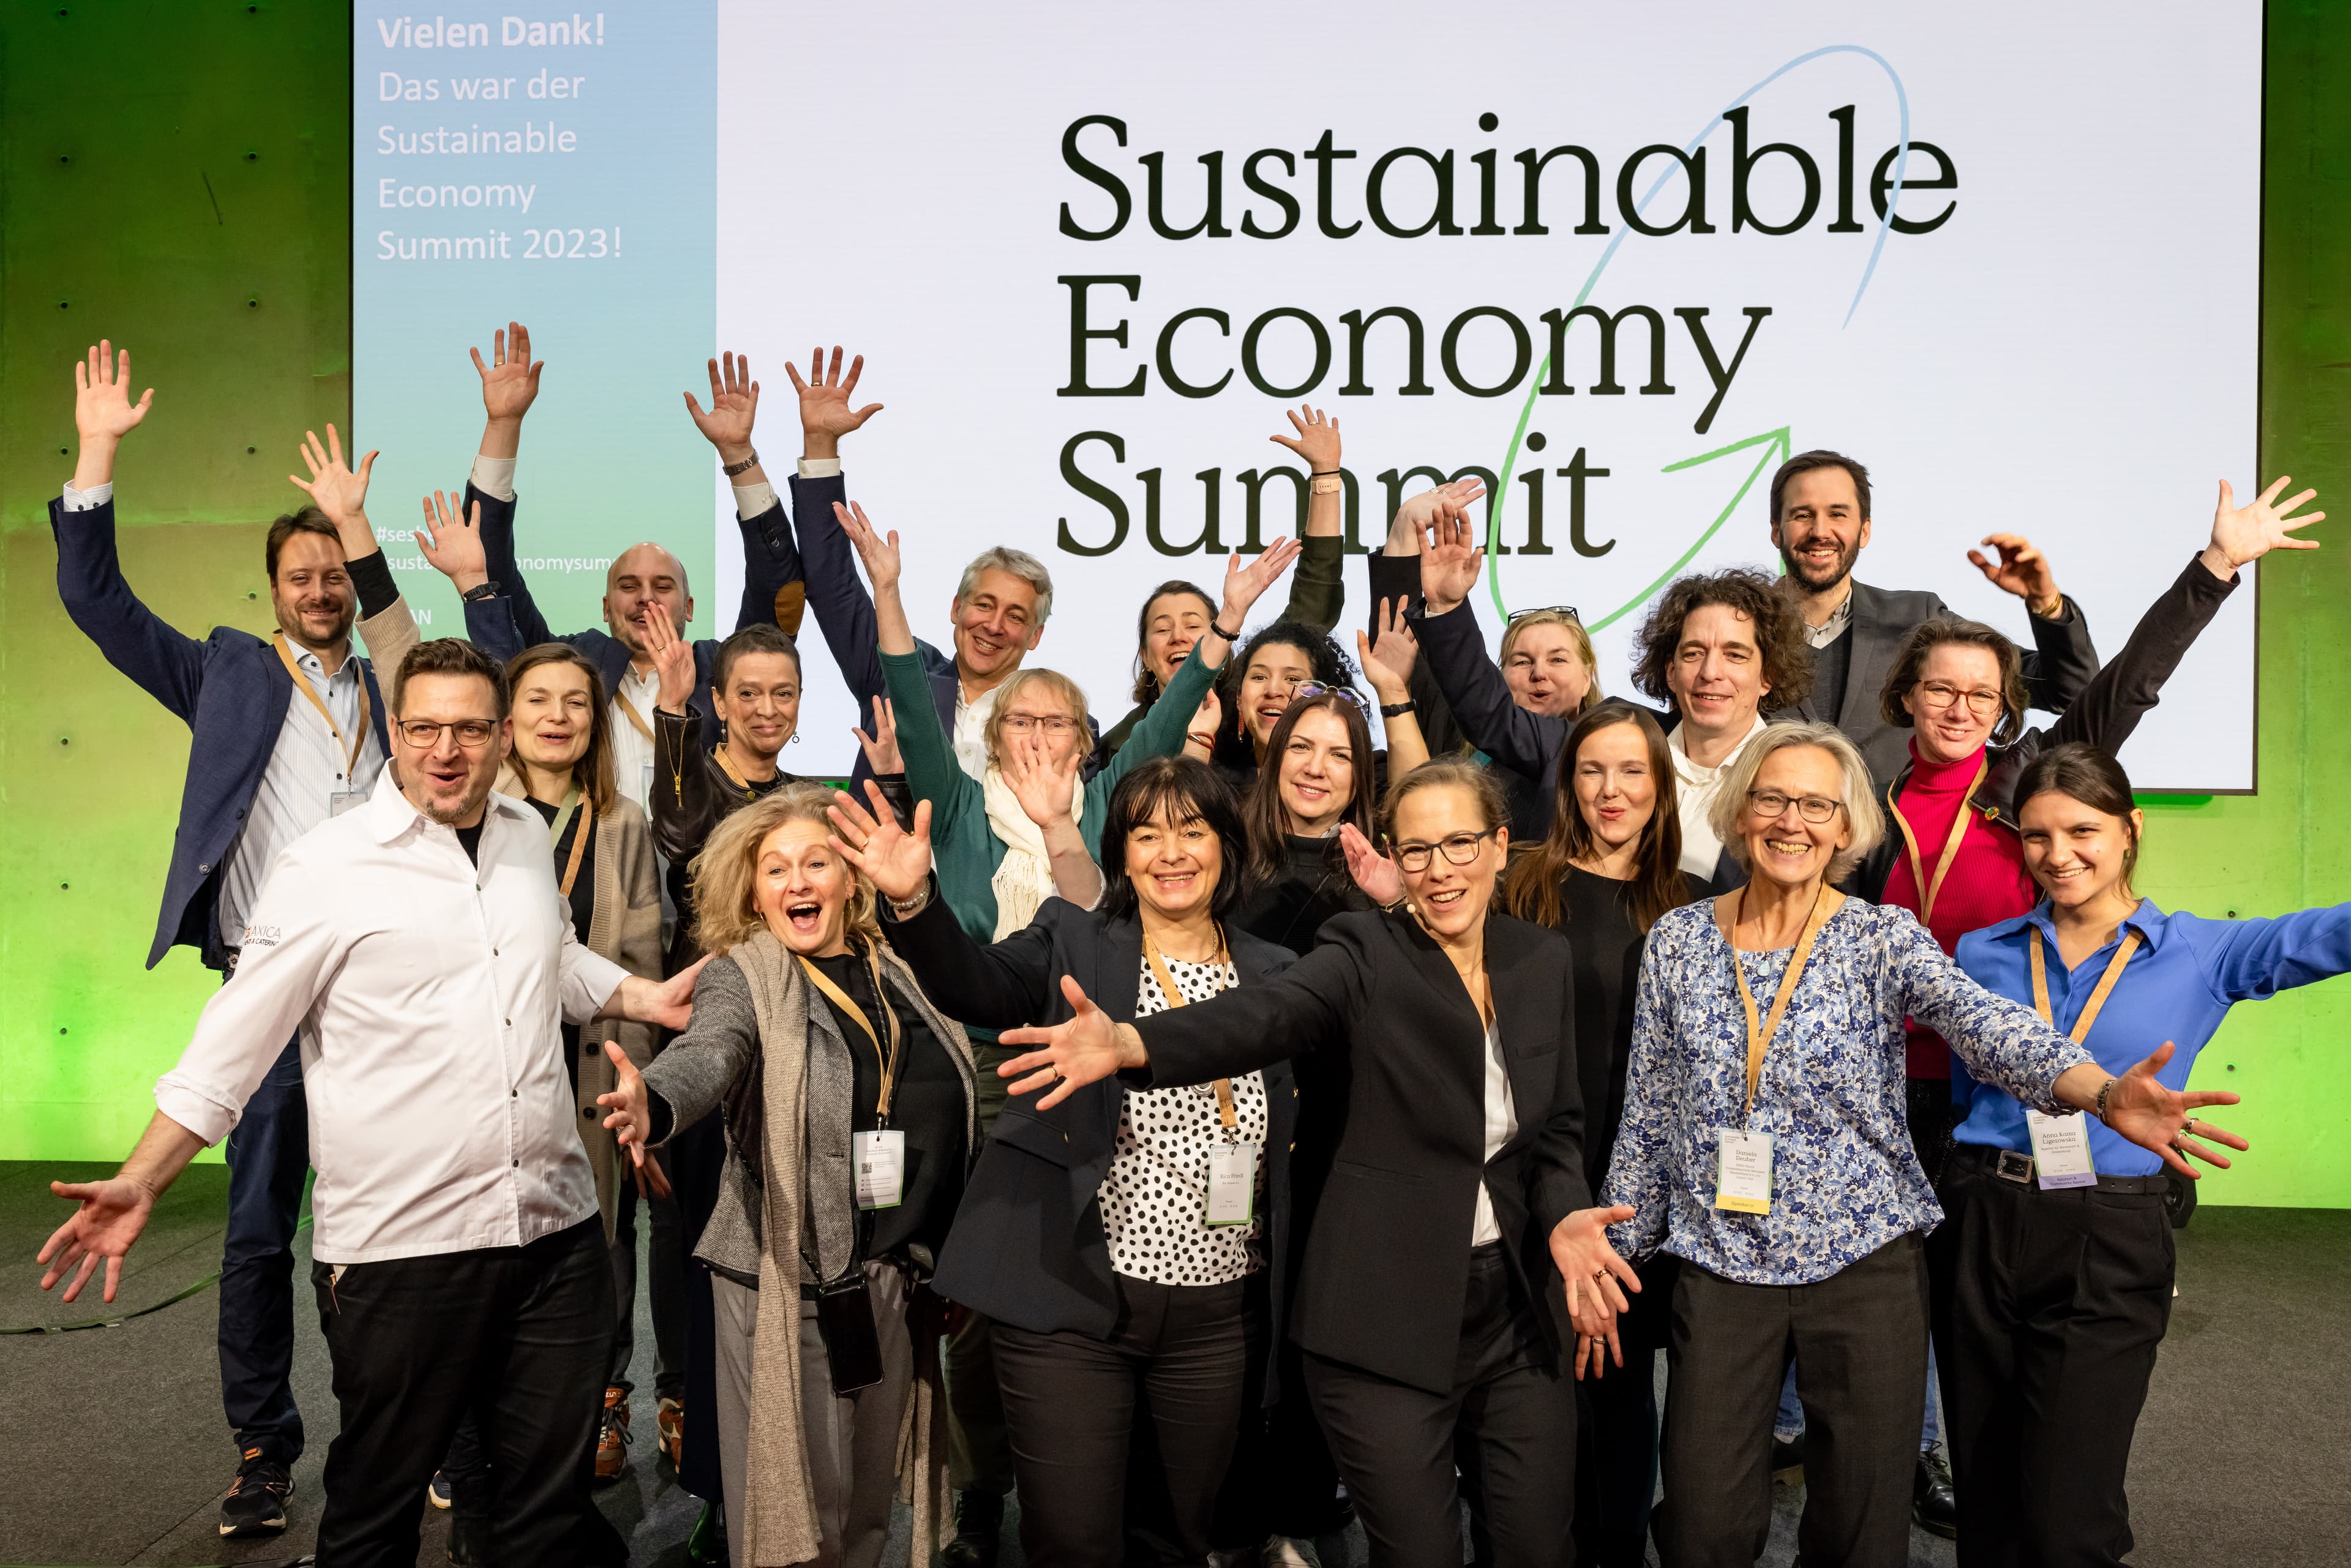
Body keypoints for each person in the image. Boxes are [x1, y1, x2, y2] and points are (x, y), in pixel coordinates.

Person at [37, 637, 707, 1567]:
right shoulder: (327, 866)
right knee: (375, 1517)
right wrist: (144, 1178)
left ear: (501, 736)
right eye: (424, 728)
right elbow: (232, 1044)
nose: (446, 750)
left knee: (545, 1512)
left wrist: (640, 995)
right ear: (394, 730)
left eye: (469, 729)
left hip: (554, 1237)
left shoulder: (523, 832)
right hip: (403, 1251)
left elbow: (549, 955)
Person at [1597, 722, 2244, 1568]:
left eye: (1817, 805)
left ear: (1845, 826)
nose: (1792, 820)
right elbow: (1647, 1111)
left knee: (1862, 1528)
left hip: (1865, 1264)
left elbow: (1986, 1026)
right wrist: (1612, 1254)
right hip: (1720, 1262)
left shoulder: (1882, 937)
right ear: (1740, 809)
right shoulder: (1678, 941)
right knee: (1701, 1527)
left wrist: (2098, 1089)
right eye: (1773, 798)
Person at [1830, 470, 2323, 1531]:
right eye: (1940, 690)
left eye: (1981, 695)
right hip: (1904, 1097)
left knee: (2062, 1447)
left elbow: (2124, 689)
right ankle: (1911, 1460)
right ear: (1904, 698)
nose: (1961, 708)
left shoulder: (2029, 785)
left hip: (2033, 1087)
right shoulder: (1861, 806)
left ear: (2005, 708)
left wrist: (2212, 569)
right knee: (1926, 1333)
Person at [992, 760, 1639, 1568]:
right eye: (1417, 850)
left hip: (1514, 1314)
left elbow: (1555, 1132)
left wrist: (1567, 1211)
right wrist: (1131, 1041)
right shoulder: (1363, 950)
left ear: (1501, 846)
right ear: (1396, 861)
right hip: (1382, 1318)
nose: (1441, 869)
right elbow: (1266, 1014)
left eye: (1461, 844)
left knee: (1541, 1548)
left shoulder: (1540, 959)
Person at [48, 341, 422, 1536]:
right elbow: (98, 606)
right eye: (301, 575)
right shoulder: (227, 673)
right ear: (273, 588)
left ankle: (424, 1437)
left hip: (388, 1006)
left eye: (335, 574)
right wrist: (97, 454)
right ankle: (263, 1450)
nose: (320, 589)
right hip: (267, 1002)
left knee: (402, 1244)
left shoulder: (405, 688)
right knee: (259, 1236)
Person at [826, 759, 1296, 1567]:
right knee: (1074, 1542)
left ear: (1227, 845)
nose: (1171, 852)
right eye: (1147, 834)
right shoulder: (1074, 940)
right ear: (1121, 855)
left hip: (1218, 1313)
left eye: (1192, 831)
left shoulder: (1276, 973)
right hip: (1070, 1296)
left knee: (1177, 1541)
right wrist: (915, 901)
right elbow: (976, 986)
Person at [1937, 738, 2329, 1566]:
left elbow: (2325, 935)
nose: (2058, 854)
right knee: (1986, 1494)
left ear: (2130, 828)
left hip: (2106, 1233)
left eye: (2082, 830)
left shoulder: (2201, 952)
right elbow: (1966, 1093)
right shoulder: (1981, 952)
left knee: (2068, 1511)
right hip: (1982, 1216)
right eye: (2037, 835)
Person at [596, 784, 980, 1568]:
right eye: (776, 868)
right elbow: (708, 1053)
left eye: (815, 863)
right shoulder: (745, 976)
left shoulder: (898, 968)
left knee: (867, 1506)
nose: (797, 881)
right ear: (752, 890)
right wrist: (654, 1101)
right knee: (799, 1516)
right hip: (788, 1279)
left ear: (849, 877)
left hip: (892, 1277)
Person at [426, 326, 822, 816]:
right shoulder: (575, 664)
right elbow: (492, 567)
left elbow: (780, 587)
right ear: (606, 607)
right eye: (629, 586)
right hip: (592, 859)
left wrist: (739, 455)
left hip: (707, 860)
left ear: (689, 606)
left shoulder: (722, 669)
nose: (645, 598)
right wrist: (503, 424)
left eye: (663, 586)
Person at [1498, 701, 1708, 1568]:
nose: (1611, 789)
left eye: (1632, 771)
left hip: (1641, 1188)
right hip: (1532, 1171)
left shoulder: (1694, 902)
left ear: (1661, 786)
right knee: (1530, 1383)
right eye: (1592, 769)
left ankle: (1616, 1549)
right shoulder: (1519, 884)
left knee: (1620, 1381)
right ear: (1567, 782)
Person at [1415, 501, 1812, 887]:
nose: (1711, 673)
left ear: (1768, 675)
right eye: (1693, 653)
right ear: (1671, 672)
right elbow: (1491, 716)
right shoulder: (1606, 735)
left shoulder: (1800, 775)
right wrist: (1448, 607)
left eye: (1735, 654)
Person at [1762, 448, 2099, 787]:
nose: (1820, 531)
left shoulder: (1915, 617)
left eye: (1838, 514)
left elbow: (2068, 691)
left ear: (1864, 531)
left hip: (1902, 822)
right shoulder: (1746, 627)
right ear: (1776, 531)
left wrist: (2045, 601)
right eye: (1803, 515)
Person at [1097, 405, 1351, 768]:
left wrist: (1325, 476)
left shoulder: (1249, 696)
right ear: (1146, 658)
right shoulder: (1120, 745)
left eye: (1193, 625)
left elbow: (1316, 594)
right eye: (1163, 629)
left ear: (1224, 642)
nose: (1179, 637)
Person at [1368, 476, 1601, 832]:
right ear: (1496, 675)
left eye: (1557, 659)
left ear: (1587, 677)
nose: (1539, 673)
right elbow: (1403, 647)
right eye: (1521, 661)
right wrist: (1404, 531)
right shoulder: (1457, 731)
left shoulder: (1606, 758)